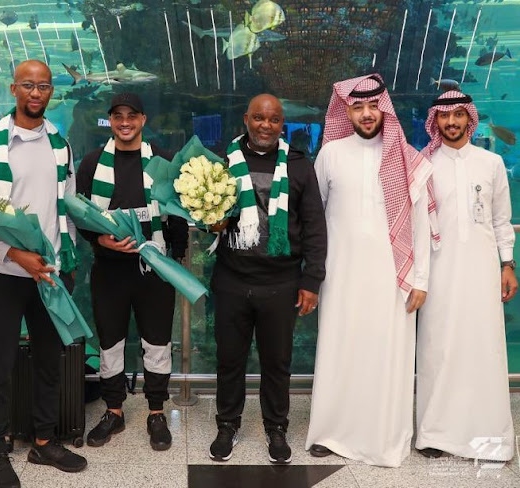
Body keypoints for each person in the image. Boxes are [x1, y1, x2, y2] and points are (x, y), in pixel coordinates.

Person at [305, 74, 436, 467]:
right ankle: (330, 433)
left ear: (384, 108)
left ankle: (382, 438)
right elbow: (315, 218)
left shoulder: (408, 158)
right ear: (346, 110)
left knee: (385, 355)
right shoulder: (330, 154)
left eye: (372, 106)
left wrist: (421, 280)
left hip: (392, 277)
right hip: (341, 275)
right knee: (339, 351)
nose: (365, 114)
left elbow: (420, 227)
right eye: (357, 107)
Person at [0, 59, 87, 488]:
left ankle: (43, 440)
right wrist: (17, 254)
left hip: (50, 274)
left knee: (49, 363)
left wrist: (62, 256)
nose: (36, 94)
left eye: (43, 87)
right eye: (28, 86)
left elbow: (67, 207)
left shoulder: (61, 144)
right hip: (2, 272)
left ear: (51, 92)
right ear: (13, 88)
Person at [207, 94, 327, 464]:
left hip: (281, 281)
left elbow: (314, 228)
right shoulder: (222, 162)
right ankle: (227, 424)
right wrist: (208, 222)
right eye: (258, 118)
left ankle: (277, 428)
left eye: (274, 120)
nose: (265, 125)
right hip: (231, 278)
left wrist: (312, 281)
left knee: (277, 362)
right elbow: (204, 210)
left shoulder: (300, 166)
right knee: (230, 360)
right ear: (246, 119)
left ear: (282, 123)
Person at [76, 93, 188, 451]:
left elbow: (179, 214)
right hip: (109, 271)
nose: (125, 122)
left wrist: (175, 258)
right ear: (110, 120)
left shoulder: (163, 161)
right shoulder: (92, 164)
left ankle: (156, 412)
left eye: (132, 116)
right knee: (110, 344)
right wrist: (101, 242)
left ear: (143, 119)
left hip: (154, 271)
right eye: (118, 116)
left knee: (157, 343)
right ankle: (114, 411)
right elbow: (79, 216)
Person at [415, 91, 516, 460]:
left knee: (482, 349)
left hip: (481, 270)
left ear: (469, 119)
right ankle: (435, 435)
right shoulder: (423, 165)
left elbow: (501, 219)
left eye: (459, 115)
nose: (452, 122)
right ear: (436, 120)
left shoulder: (490, 163)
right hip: (438, 272)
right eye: (445, 116)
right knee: (436, 350)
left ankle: (487, 436)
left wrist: (508, 265)